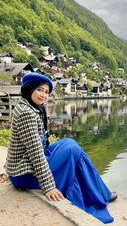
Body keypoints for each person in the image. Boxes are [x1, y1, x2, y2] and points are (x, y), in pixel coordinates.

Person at [5, 72, 117, 224]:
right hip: (24, 173)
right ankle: (99, 193)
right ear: (29, 89)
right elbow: (36, 154)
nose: (43, 95)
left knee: (70, 143)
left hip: (24, 163)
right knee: (72, 150)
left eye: (46, 92)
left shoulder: (29, 106)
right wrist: (49, 187)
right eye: (39, 90)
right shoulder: (27, 113)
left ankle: (100, 192)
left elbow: (40, 145)